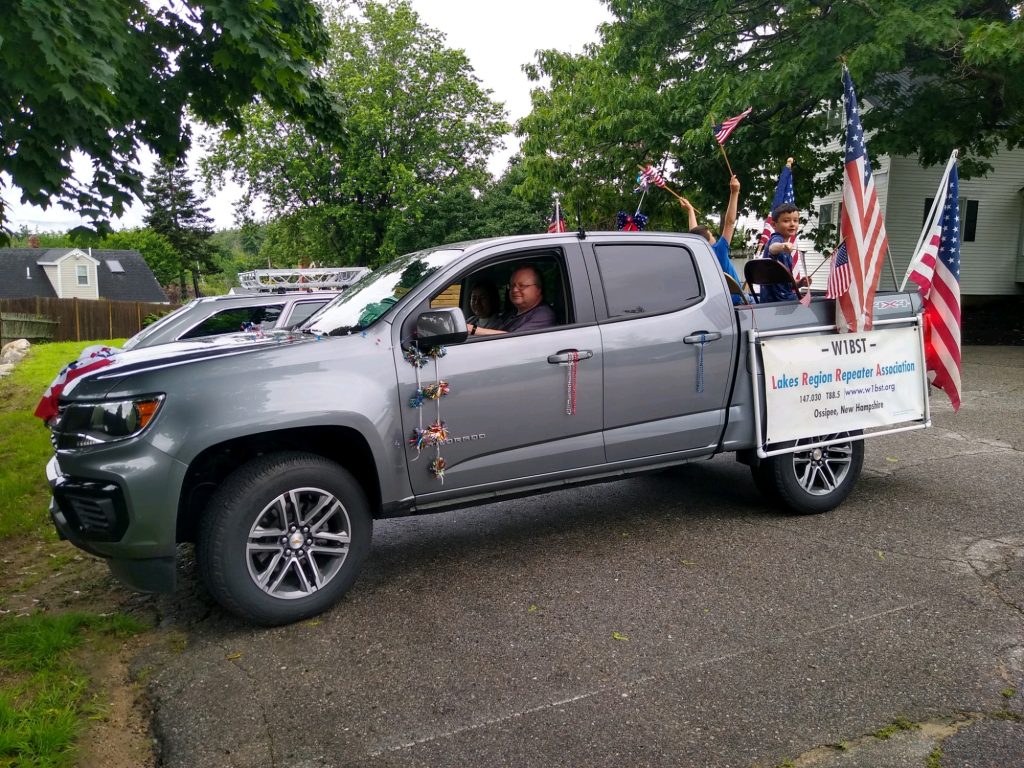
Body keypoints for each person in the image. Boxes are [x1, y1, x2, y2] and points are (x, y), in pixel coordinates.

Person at [680, 175, 749, 304]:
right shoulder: (718, 251)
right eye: (711, 234)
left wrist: (691, 211)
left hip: (720, 303)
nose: (714, 236)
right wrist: (734, 193)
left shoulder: (699, 255)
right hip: (739, 301)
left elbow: (695, 234)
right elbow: (729, 222)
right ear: (708, 239)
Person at [470, 265, 555, 336]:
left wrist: (472, 329)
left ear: (538, 289)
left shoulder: (543, 315)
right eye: (512, 285)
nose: (514, 290)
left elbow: (512, 340)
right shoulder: (511, 314)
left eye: (522, 286)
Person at [760, 202, 811, 303]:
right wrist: (782, 246)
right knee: (818, 302)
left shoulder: (785, 248)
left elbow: (785, 283)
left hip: (776, 298)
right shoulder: (777, 239)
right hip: (781, 299)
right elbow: (772, 248)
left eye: (795, 220)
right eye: (786, 221)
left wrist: (800, 283)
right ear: (774, 224)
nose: (792, 224)